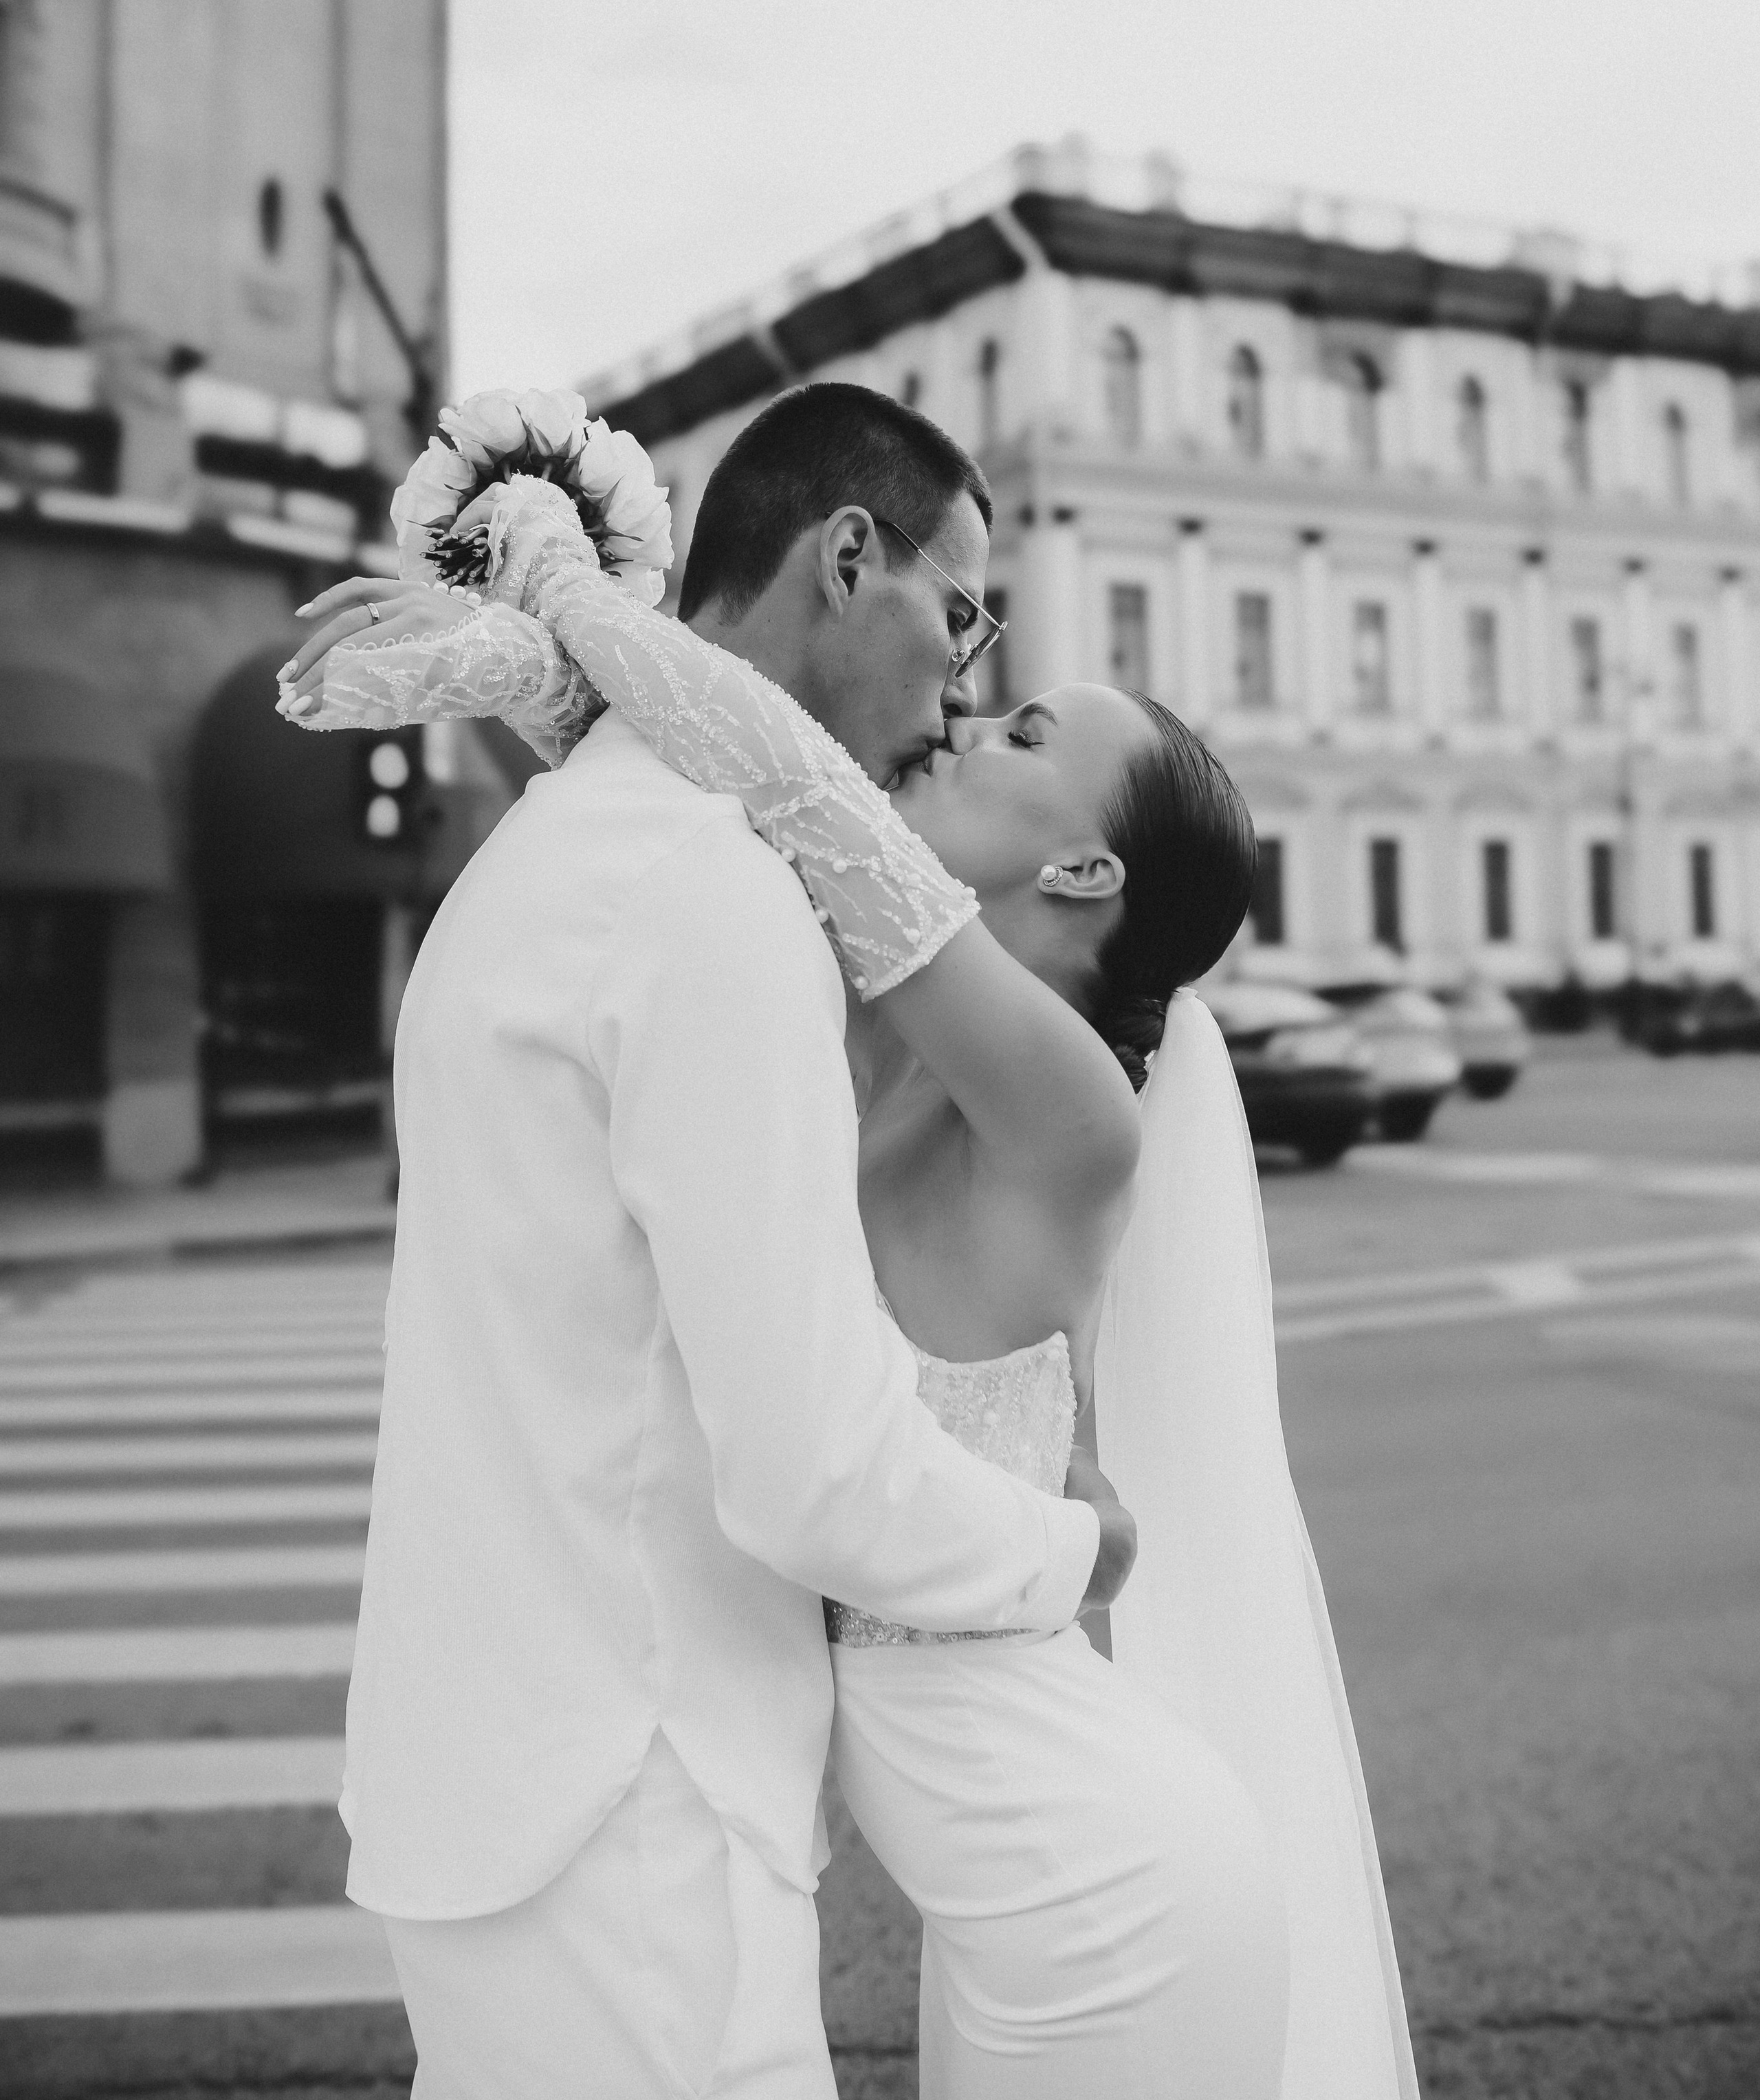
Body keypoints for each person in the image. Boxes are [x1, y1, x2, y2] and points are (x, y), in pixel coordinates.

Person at [287, 381, 1418, 2097]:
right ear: (846, 560)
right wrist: (537, 646)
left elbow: (784, 789)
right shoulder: (786, 951)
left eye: (1023, 721)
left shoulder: (1036, 1086)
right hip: (690, 1814)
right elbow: (756, 797)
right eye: (964, 626)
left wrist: (563, 605)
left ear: (1094, 875)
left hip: (1080, 1875)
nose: (967, 704)